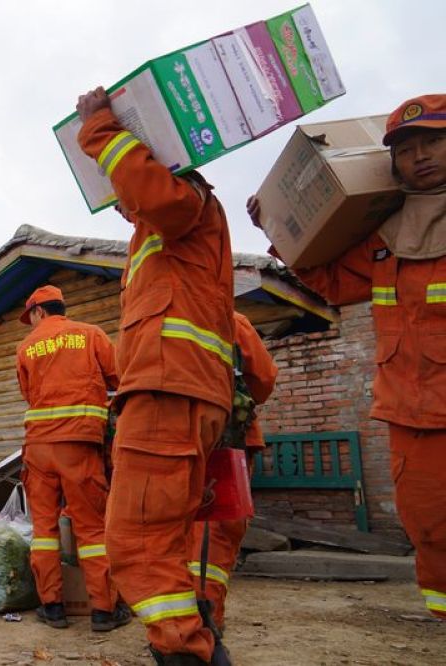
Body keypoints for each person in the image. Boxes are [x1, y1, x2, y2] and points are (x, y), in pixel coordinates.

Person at [248, 94, 446, 621]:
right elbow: (331, 281)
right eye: (406, 149)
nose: (420, 155)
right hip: (413, 417)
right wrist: (279, 230)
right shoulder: (386, 240)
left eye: (433, 141)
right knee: (428, 527)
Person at [76, 86, 236, 665]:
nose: (121, 194)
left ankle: (185, 653)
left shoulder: (183, 201)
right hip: (182, 392)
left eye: (127, 169)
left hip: (170, 391)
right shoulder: (156, 239)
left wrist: (98, 129)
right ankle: (195, 646)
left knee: (136, 540)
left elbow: (157, 197)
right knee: (165, 538)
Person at [15, 285, 131, 632]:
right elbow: (118, 378)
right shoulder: (91, 335)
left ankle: (52, 607)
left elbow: (27, 394)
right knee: (92, 529)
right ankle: (103, 612)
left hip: (38, 448)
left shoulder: (26, 347)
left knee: (45, 531)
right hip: (79, 446)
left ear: (38, 312)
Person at [188, 312, 277, 633]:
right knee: (218, 529)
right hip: (227, 437)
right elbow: (263, 380)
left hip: (172, 444)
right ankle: (205, 620)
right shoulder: (229, 318)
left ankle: (183, 621)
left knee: (177, 529)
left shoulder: (148, 318)